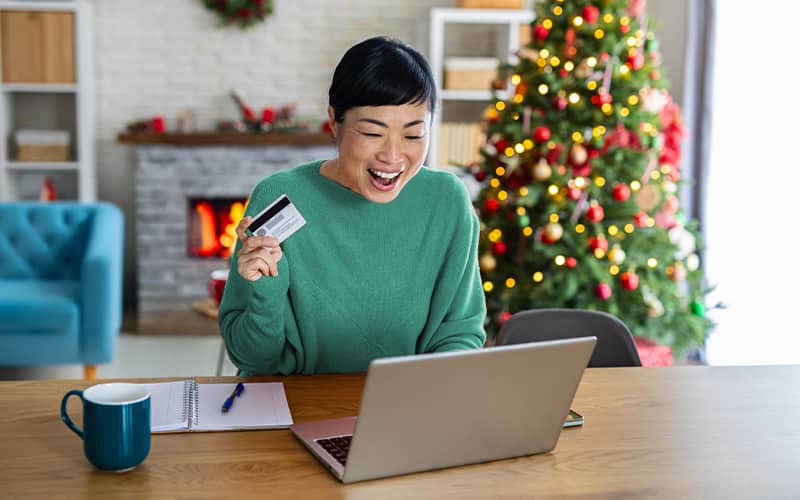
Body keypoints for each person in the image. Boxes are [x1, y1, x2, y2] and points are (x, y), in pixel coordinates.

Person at [219, 36, 486, 375]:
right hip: (296, 409)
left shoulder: (447, 201)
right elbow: (251, 360)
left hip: (408, 408)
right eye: (373, 133)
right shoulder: (281, 196)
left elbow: (460, 333)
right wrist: (265, 292)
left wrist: (431, 395)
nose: (392, 156)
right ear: (334, 121)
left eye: (413, 135)